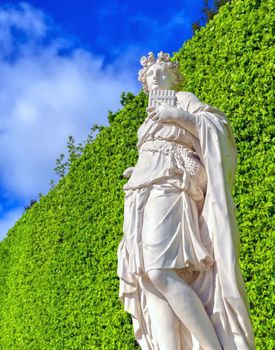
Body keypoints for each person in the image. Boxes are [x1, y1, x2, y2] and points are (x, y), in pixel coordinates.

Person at [117, 51, 255, 349]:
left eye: (160, 71)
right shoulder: (146, 117)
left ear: (174, 77)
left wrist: (179, 117)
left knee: (160, 270)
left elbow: (215, 125)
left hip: (171, 186)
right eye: (149, 75)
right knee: (147, 280)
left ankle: (212, 346)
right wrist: (138, 168)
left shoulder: (182, 99)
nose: (154, 77)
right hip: (141, 192)